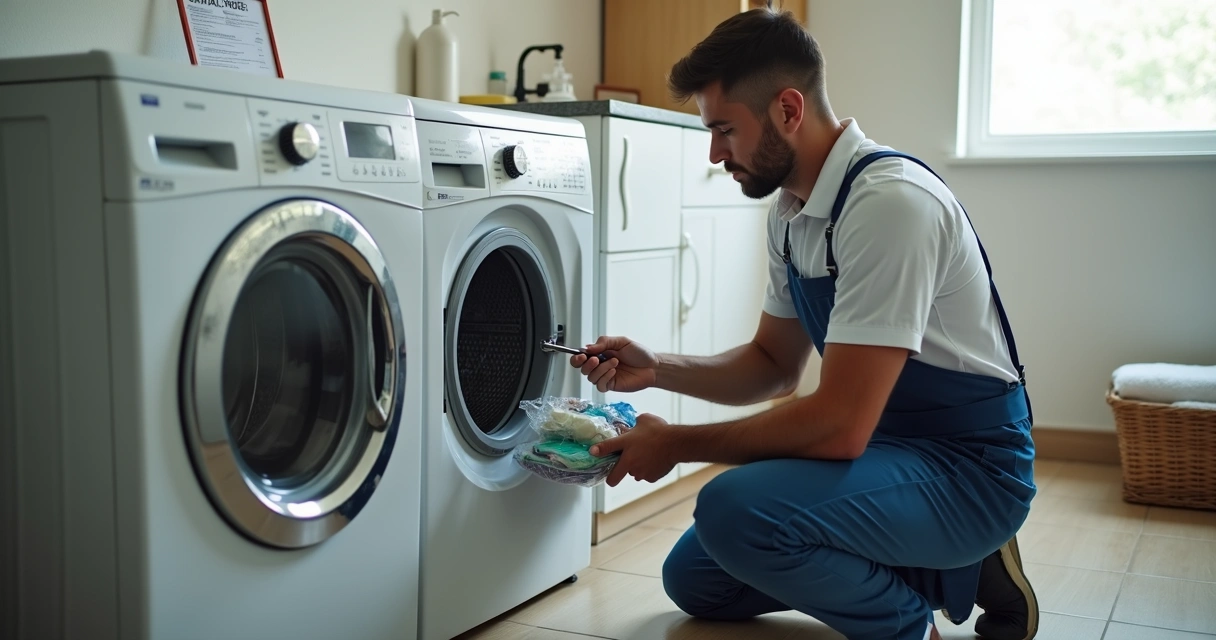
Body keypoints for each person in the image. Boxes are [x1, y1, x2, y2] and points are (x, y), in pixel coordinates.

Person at [568, 6, 1040, 640]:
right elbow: (773, 365)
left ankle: (913, 621)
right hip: (886, 452)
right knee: (696, 578)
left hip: (968, 468)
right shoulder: (791, 212)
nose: (714, 153)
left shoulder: (891, 205)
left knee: (732, 511)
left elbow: (841, 427)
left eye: (724, 130)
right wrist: (658, 370)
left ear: (788, 111)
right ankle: (961, 568)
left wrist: (676, 444)